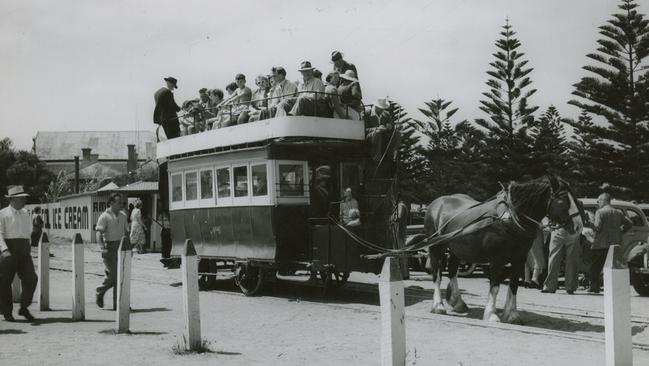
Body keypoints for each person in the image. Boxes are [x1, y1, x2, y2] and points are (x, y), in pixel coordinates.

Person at [0, 186, 38, 322]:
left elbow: (27, 232)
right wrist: (4, 249)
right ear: (12, 199)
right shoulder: (3, 214)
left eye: (24, 198)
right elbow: (0, 234)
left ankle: (24, 307)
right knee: (5, 282)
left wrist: (28, 245)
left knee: (31, 278)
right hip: (8, 250)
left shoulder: (26, 213)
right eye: (21, 198)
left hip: (23, 251)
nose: (24, 200)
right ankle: (7, 312)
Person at [587, 192, 633, 293]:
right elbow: (630, 223)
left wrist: (589, 223)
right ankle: (612, 287)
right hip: (615, 244)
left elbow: (598, 228)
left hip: (600, 244)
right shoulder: (617, 212)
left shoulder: (600, 212)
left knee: (595, 267)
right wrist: (621, 232)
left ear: (604, 200)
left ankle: (594, 287)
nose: (598, 202)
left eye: (599, 200)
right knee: (612, 266)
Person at [95, 193, 129, 308]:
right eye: (119, 202)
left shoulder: (123, 215)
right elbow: (98, 233)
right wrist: (102, 247)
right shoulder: (104, 216)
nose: (121, 204)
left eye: (122, 202)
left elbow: (126, 233)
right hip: (109, 248)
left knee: (121, 276)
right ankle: (100, 291)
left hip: (122, 247)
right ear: (111, 203)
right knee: (114, 275)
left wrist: (129, 249)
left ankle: (119, 304)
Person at [542, 212, 583, 294]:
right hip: (573, 231)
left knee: (554, 258)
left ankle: (549, 286)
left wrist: (549, 225)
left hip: (558, 229)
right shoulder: (577, 203)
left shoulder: (555, 200)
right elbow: (581, 218)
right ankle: (571, 287)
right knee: (572, 260)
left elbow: (545, 216)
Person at [365, 97, 393, 162]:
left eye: (383, 108)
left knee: (396, 133)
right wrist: (377, 128)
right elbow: (364, 129)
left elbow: (391, 126)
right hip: (370, 136)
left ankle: (393, 157)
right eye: (381, 108)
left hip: (383, 135)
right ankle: (376, 159)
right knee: (377, 132)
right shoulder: (366, 113)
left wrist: (389, 127)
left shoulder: (386, 114)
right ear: (376, 106)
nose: (382, 110)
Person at [524, 222, 547, 289]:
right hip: (536, 232)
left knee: (528, 256)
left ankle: (526, 279)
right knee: (538, 256)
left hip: (526, 231)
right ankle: (535, 278)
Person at [391, 196, 410, 279]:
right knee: (400, 252)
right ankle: (403, 273)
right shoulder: (400, 206)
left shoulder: (400, 206)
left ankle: (404, 274)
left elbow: (398, 218)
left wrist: (390, 218)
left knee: (401, 252)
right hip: (398, 231)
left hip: (399, 232)